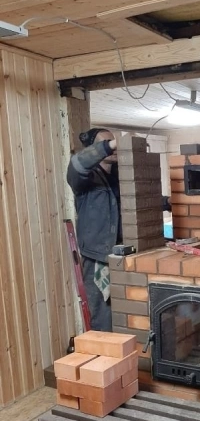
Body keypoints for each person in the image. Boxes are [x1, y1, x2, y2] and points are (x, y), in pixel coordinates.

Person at [67, 128, 171, 331]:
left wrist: (168, 202)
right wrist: (111, 145)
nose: (113, 147)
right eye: (106, 143)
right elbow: (77, 164)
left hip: (124, 253)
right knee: (103, 316)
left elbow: (137, 201)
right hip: (97, 256)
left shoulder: (118, 176)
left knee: (131, 309)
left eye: (113, 142)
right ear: (94, 148)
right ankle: (105, 357)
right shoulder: (85, 179)